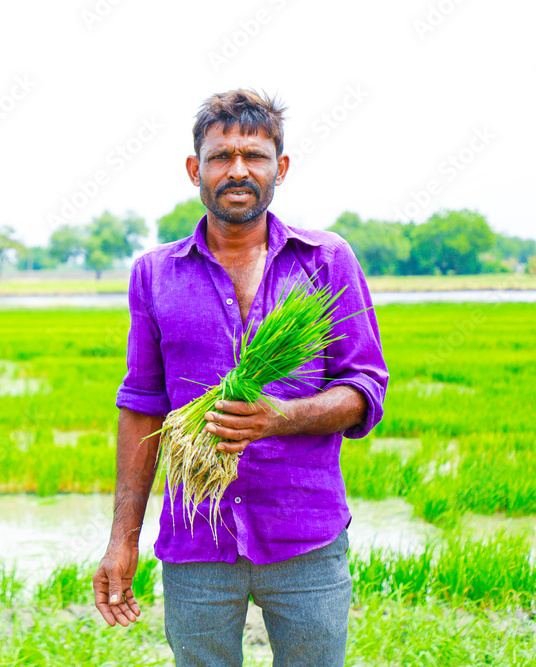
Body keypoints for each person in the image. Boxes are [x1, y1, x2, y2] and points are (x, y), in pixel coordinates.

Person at [93, 89, 388, 667]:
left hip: (306, 537)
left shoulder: (326, 260)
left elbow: (365, 390)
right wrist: (123, 537)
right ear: (193, 170)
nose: (237, 170)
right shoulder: (154, 274)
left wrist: (284, 417)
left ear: (279, 167)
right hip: (196, 537)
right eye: (220, 156)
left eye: (253, 156)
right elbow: (142, 406)